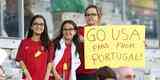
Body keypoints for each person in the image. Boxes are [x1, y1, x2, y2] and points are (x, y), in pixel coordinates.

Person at [16, 15, 53, 80]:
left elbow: (49, 63)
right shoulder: (24, 43)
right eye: (35, 24)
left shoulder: (49, 44)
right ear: (31, 27)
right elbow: (21, 61)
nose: (38, 26)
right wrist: (29, 77)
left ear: (44, 27)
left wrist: (46, 79)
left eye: (41, 24)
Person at [77, 5, 102, 80]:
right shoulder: (78, 30)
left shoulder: (105, 33)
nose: (90, 16)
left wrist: (86, 41)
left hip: (100, 72)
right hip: (82, 72)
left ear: (98, 16)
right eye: (87, 15)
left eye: (93, 14)